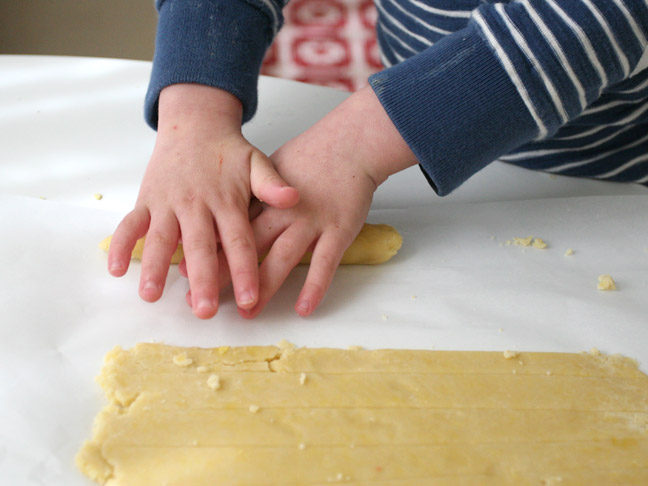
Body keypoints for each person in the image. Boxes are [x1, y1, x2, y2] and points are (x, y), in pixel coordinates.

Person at [108, 0, 648, 319]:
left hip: (597, 171)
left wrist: (359, 142)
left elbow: (604, 16)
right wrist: (194, 111)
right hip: (409, 123)